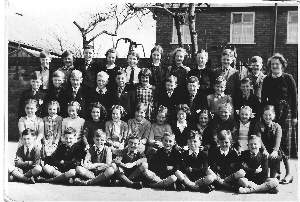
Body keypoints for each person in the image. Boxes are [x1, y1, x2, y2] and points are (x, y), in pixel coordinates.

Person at [261, 53, 297, 184]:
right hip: (271, 113)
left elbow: (294, 98)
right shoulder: (266, 80)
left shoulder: (288, 78)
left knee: (285, 143)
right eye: (272, 64)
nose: (275, 66)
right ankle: (274, 174)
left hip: (285, 113)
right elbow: (263, 99)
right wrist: (263, 115)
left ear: (282, 65)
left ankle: (288, 174)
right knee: (272, 141)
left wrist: (294, 116)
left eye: (277, 64)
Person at [254, 105, 282, 179]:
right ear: (262, 115)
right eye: (265, 115)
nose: (267, 117)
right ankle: (263, 176)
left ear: (274, 115)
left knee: (275, 157)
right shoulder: (258, 125)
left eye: (270, 115)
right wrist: (264, 150)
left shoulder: (277, 126)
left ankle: (273, 177)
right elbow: (258, 139)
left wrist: (275, 151)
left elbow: (277, 140)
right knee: (261, 157)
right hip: (261, 148)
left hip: (272, 149)